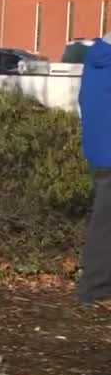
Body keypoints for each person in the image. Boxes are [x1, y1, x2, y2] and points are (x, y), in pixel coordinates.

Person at [78, 34, 111, 305]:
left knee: (104, 222)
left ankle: (96, 286)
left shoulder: (95, 62)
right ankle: (95, 288)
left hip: (100, 154)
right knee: (105, 225)